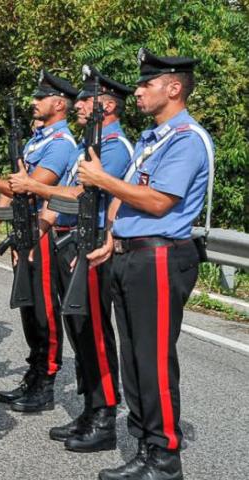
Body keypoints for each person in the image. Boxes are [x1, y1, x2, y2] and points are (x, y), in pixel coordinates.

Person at [78, 48, 211, 480]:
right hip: (132, 254)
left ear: (173, 88)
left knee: (152, 360)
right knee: (135, 359)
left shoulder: (186, 139)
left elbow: (158, 201)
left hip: (160, 256)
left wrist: (102, 179)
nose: (137, 91)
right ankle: (145, 447)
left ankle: (164, 456)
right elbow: (129, 195)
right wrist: (112, 235)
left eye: (146, 84)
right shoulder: (154, 138)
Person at [10, 64, 133, 453]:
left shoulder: (114, 147)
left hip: (91, 245)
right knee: (79, 331)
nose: (78, 105)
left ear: (107, 105)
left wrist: (33, 187)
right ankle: (90, 409)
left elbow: (82, 195)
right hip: (70, 242)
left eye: (85, 99)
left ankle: (104, 415)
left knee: (94, 332)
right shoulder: (89, 145)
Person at [0, 70, 79, 413]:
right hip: (26, 228)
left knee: (44, 310)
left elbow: (30, 188)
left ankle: (47, 379)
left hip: (43, 229)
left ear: (59, 104)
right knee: (28, 307)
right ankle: (34, 372)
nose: (34, 102)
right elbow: (16, 191)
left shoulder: (60, 143)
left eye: (41, 97)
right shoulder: (38, 140)